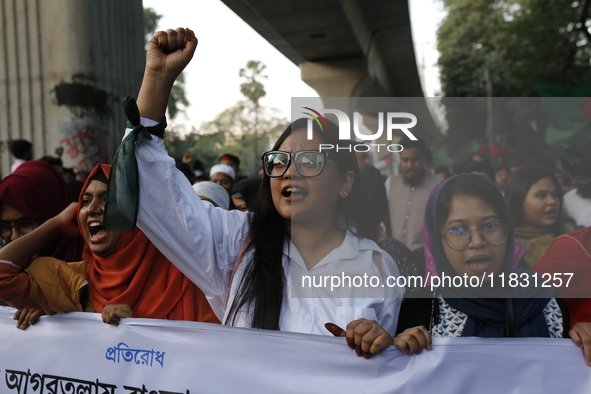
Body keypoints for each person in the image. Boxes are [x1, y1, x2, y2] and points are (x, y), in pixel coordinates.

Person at [110, 27, 403, 358]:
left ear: (346, 183)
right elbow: (152, 194)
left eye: (310, 161)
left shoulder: (376, 267)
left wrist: (381, 343)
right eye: (279, 161)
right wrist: (158, 78)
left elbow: (383, 374)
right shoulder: (237, 243)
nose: (289, 172)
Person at [0, 164, 219, 329]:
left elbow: (213, 361)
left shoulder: (190, 281)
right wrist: (56, 224)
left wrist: (136, 331)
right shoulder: (72, 280)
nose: (93, 208)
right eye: (85, 201)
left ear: (139, 215)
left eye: (108, 199)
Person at [394, 174, 567, 355]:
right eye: (458, 230)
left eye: (490, 226)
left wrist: (580, 336)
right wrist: (398, 348)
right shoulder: (419, 311)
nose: (477, 242)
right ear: (438, 241)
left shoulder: (543, 298)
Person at [385, 136, 441, 251]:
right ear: (400, 159)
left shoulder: (439, 186)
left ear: (424, 158)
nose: (410, 165)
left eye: (415, 159)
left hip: (425, 257)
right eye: (405, 160)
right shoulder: (390, 183)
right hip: (395, 256)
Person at [505, 166, 564, 268]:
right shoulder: (507, 249)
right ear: (519, 202)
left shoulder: (572, 236)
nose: (552, 201)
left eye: (555, 195)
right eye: (541, 195)